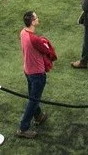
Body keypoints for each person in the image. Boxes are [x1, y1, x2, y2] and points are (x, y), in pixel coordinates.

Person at [16, 11, 56, 139]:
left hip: (27, 70)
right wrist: (44, 41)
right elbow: (48, 51)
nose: (38, 19)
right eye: (36, 17)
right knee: (33, 100)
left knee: (33, 97)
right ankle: (23, 128)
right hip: (37, 73)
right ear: (32, 22)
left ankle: (38, 116)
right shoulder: (34, 39)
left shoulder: (23, 33)